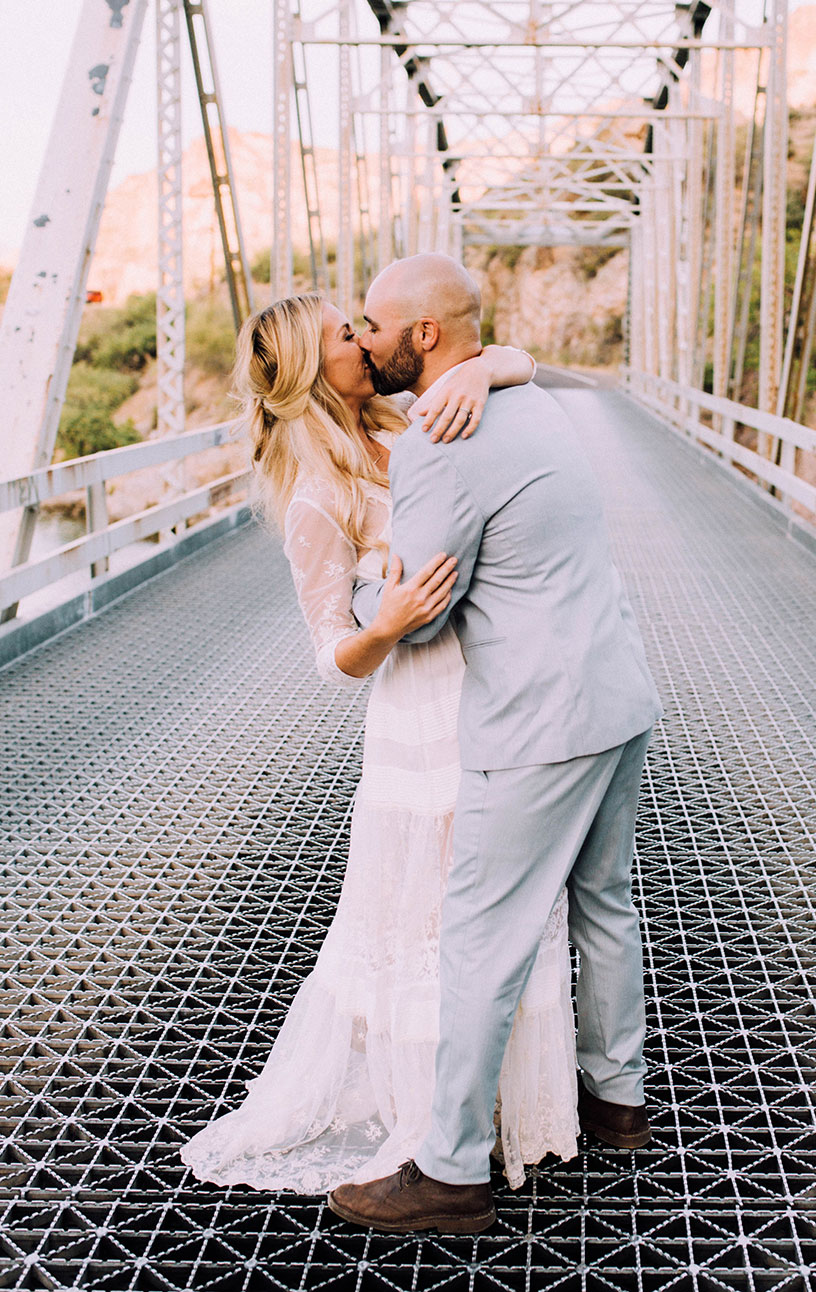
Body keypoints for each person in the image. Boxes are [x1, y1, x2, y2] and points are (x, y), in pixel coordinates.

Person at [179, 292, 580, 1195]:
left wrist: (478, 364)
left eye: (362, 324)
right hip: (421, 720)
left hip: (495, 691)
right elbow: (333, 656)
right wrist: (389, 620)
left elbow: (524, 368)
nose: (366, 339)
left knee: (500, 904)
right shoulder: (318, 494)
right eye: (345, 335)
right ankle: (434, 1125)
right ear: (318, 367)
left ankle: (509, 1105)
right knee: (437, 919)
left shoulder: (415, 419)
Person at [328, 253, 662, 1236]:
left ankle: (449, 1168)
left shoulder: (442, 435)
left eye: (374, 324)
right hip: (616, 695)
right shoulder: (533, 402)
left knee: (479, 937)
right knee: (604, 905)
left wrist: (363, 590)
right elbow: (507, 364)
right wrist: (495, 362)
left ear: (423, 336)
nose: (367, 339)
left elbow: (419, 618)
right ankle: (617, 1101)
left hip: (534, 727)